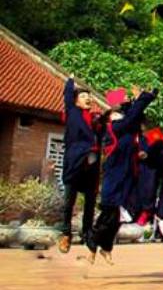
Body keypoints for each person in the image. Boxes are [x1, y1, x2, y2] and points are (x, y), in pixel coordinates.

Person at [88, 87, 157, 264]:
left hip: (128, 177)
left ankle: (103, 246)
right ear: (111, 113)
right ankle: (94, 243)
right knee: (109, 214)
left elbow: (135, 116)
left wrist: (134, 100)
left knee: (122, 215)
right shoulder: (114, 127)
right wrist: (142, 97)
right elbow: (132, 116)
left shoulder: (126, 127)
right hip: (116, 178)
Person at [58, 79, 100, 254]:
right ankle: (66, 234)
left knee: (90, 202)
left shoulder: (96, 119)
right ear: (76, 100)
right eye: (83, 96)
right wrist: (71, 80)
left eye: (89, 96)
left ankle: (87, 233)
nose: (87, 99)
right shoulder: (72, 112)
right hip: (75, 162)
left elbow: (113, 115)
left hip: (91, 164)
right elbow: (67, 95)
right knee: (69, 202)